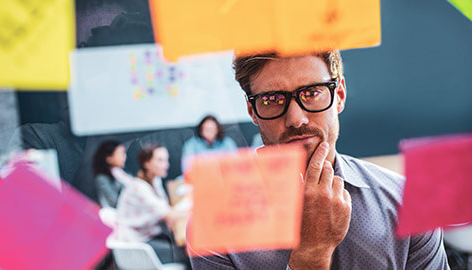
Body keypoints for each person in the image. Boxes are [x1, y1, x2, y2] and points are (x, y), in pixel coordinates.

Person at [188, 52, 450, 269]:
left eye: (312, 92)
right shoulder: (212, 224)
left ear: (340, 96)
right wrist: (310, 255)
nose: (296, 119)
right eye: (272, 99)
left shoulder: (409, 202)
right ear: (252, 112)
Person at [116, 144, 190, 265]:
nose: (166, 165)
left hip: (148, 237)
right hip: (138, 245)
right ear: (147, 163)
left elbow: (165, 211)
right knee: (188, 254)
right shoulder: (138, 188)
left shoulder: (155, 181)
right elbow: (169, 215)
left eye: (166, 160)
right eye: (160, 160)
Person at [92, 140, 130, 208]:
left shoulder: (123, 174)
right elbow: (114, 202)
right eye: (120, 154)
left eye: (124, 153)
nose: (124, 157)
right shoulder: (102, 178)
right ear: (109, 158)